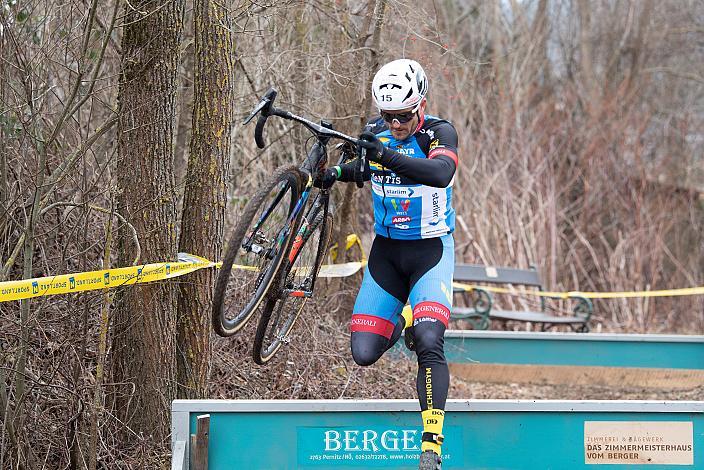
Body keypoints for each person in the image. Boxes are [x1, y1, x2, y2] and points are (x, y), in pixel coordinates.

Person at [316, 59, 458, 470]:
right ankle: (405, 318)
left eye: (402, 117)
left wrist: (387, 156)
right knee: (363, 352)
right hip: (387, 254)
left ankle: (431, 445)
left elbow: (440, 172)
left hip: (430, 250)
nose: (394, 125)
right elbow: (365, 166)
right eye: (387, 116)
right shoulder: (377, 132)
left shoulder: (438, 132)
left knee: (430, 340)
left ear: (421, 105)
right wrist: (339, 171)